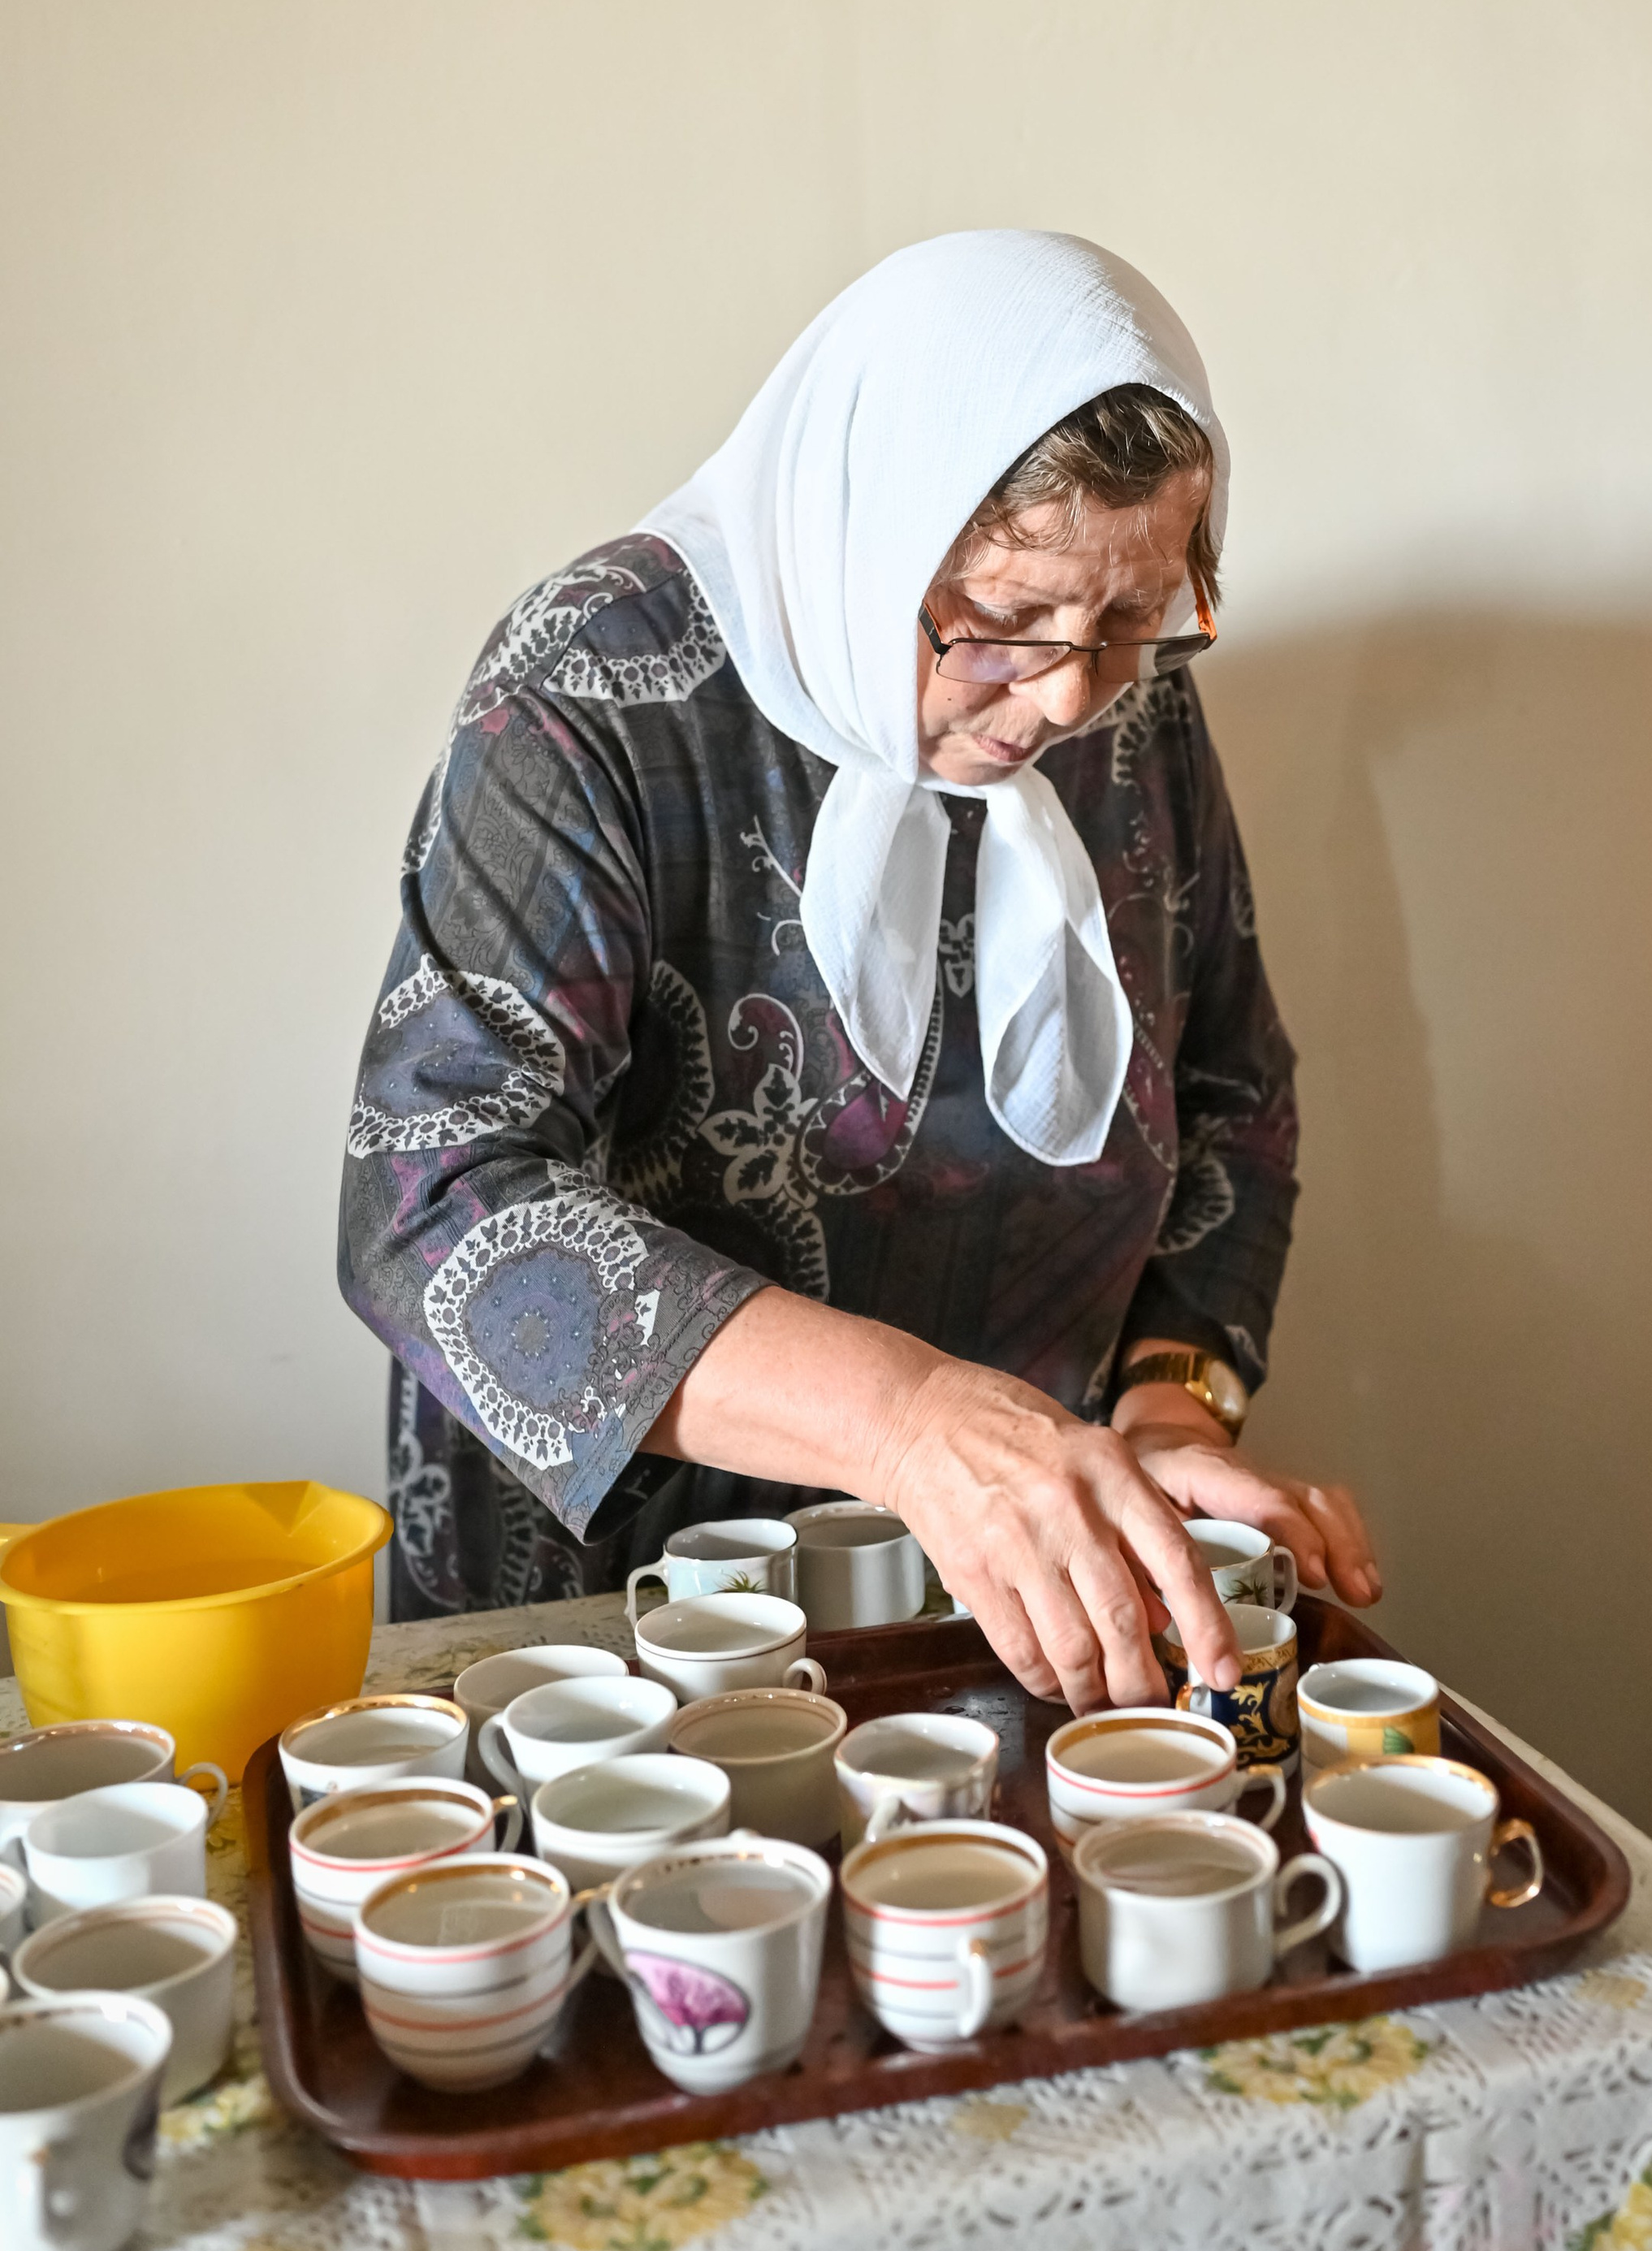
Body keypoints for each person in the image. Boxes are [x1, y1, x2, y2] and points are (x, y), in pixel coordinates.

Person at [339, 229, 1377, 1712]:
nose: (1068, 697)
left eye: (1137, 622)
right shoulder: (600, 686)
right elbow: (429, 1202)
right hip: (618, 1627)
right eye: (1001, 625)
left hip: (1014, 1586)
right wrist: (907, 1421)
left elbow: (1231, 1098)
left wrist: (1170, 1420)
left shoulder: (1119, 712)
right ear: (868, 532)